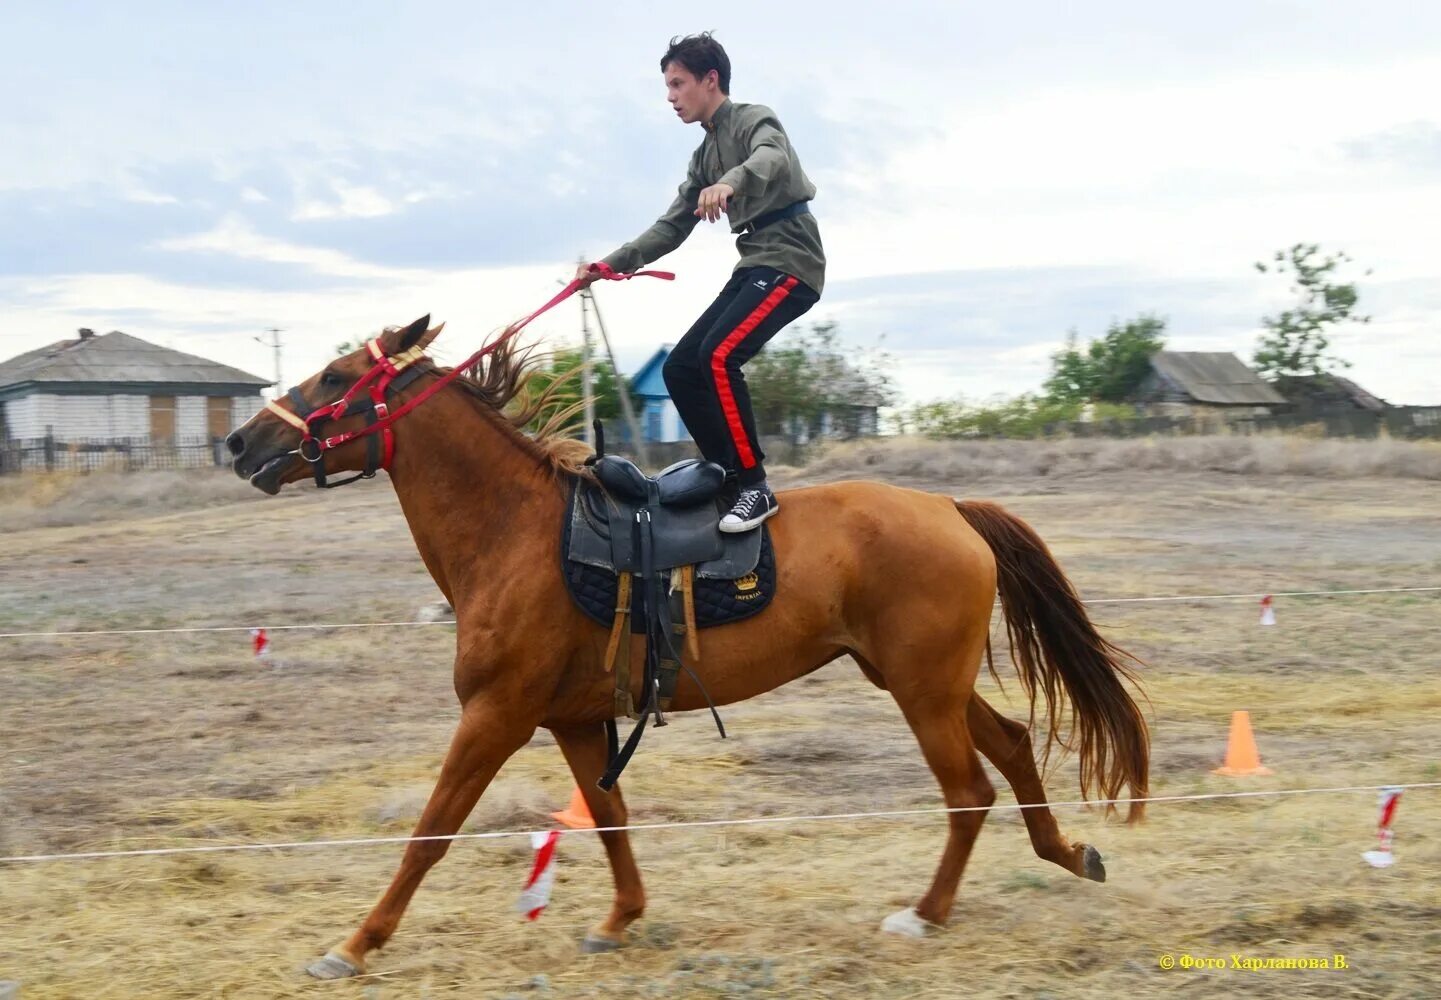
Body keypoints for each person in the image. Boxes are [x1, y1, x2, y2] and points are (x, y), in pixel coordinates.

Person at [578, 32, 824, 533]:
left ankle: (754, 486)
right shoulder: (702, 157)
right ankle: (728, 479)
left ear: (710, 80)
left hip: (792, 262)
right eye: (667, 86)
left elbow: (770, 158)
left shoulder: (756, 119)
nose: (670, 96)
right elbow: (671, 227)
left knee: (717, 357)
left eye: (677, 84)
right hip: (755, 263)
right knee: (682, 369)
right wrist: (609, 265)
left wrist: (730, 183)